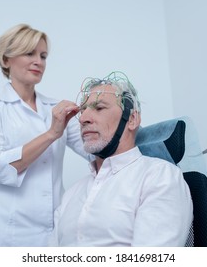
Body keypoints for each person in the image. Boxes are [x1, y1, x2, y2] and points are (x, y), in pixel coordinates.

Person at [0, 24, 90, 246]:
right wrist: (51, 134)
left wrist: (105, 116)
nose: (39, 61)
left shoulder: (54, 107)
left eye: (43, 56)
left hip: (51, 233)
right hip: (4, 233)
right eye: (29, 53)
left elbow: (93, 151)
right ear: (6, 60)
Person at [49, 71, 193, 246]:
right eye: (83, 110)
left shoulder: (159, 177)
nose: (83, 119)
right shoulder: (70, 196)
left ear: (132, 119)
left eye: (99, 108)